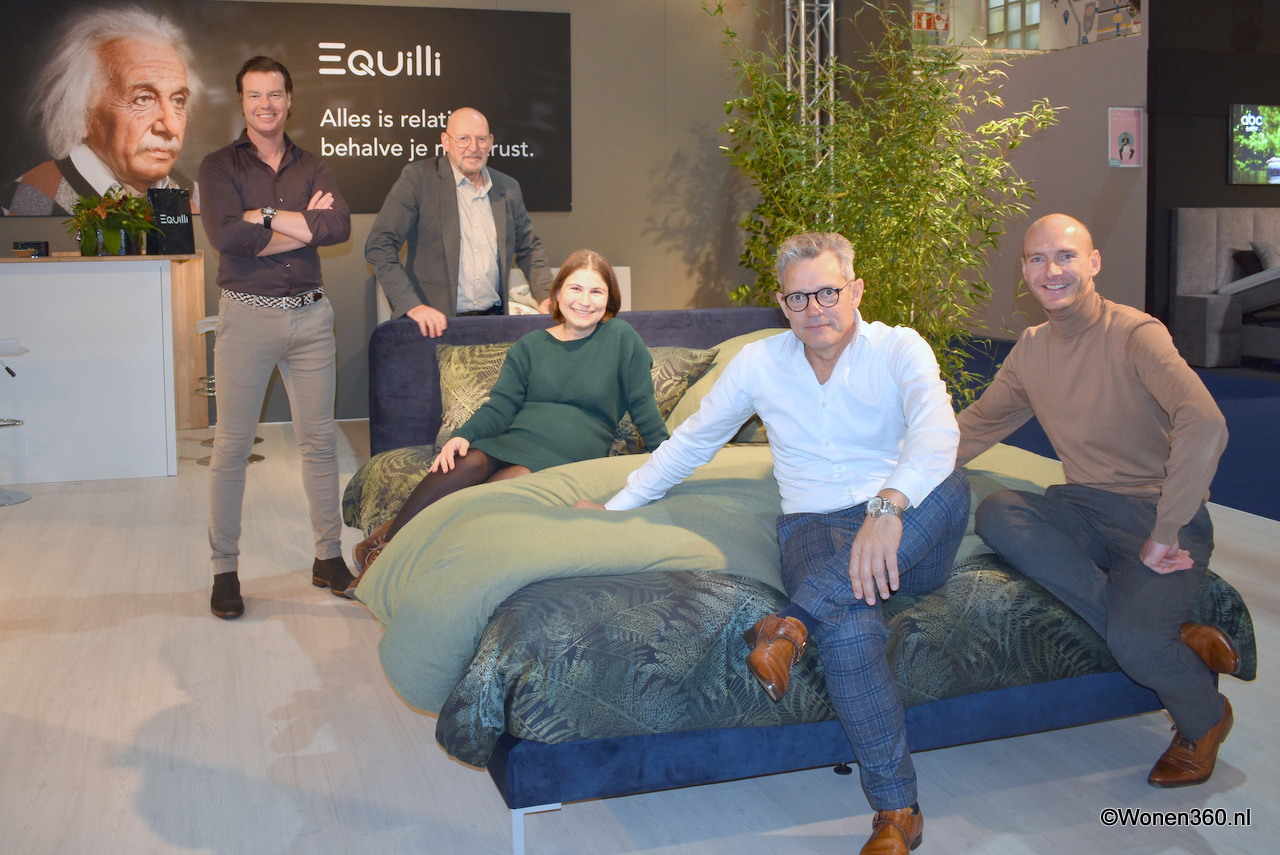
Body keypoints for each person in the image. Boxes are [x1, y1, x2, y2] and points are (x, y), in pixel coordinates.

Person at [579, 233, 969, 855]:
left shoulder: (899, 347)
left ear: (856, 290)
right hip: (815, 526)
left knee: (950, 480)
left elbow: (935, 431)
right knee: (850, 632)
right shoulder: (758, 362)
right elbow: (694, 440)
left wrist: (888, 507)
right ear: (782, 305)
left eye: (827, 292)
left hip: (907, 526)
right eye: (798, 298)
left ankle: (790, 624)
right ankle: (899, 812)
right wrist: (619, 504)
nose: (815, 308)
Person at [957, 213, 1237, 788]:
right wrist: (890, 482)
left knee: (1138, 644)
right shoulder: (1032, 349)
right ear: (1024, 271)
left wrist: (1167, 529)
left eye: (1066, 256)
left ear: (1093, 263)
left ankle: (1205, 718)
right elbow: (975, 427)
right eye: (1038, 259)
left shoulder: (1136, 334)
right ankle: (1179, 635)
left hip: (1158, 516)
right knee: (999, 510)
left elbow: (1205, 421)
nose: (1052, 270)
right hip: (1083, 507)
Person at [350, 249, 668, 578]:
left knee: (493, 491)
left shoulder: (621, 338)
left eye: (596, 291)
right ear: (558, 293)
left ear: (609, 298)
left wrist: (670, 460)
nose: (585, 301)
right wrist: (463, 436)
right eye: (575, 288)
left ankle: (382, 553)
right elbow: (501, 407)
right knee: (466, 461)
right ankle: (387, 549)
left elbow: (643, 406)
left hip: (569, 453)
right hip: (516, 438)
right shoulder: (530, 345)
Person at [198, 56, 353, 620]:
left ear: (289, 100)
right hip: (247, 318)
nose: (265, 104)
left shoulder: (312, 165)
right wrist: (302, 227)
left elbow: (338, 226)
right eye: (254, 95)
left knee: (319, 443)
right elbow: (226, 237)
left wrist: (262, 214)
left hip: (311, 318)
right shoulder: (218, 165)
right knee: (232, 448)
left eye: (274, 94)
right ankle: (225, 570)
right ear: (242, 102)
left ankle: (328, 557)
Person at [364, 106, 553, 336]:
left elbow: (530, 248)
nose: (473, 148)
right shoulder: (418, 178)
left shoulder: (507, 187)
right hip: (433, 328)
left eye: (481, 139)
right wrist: (411, 305)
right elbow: (379, 245)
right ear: (446, 141)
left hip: (494, 325)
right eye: (463, 139)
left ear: (491, 142)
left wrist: (546, 294)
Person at [1, 4, 200, 216]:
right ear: (83, 116)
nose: (171, 126)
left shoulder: (200, 198)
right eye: (143, 99)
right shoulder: (20, 205)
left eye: (178, 100)